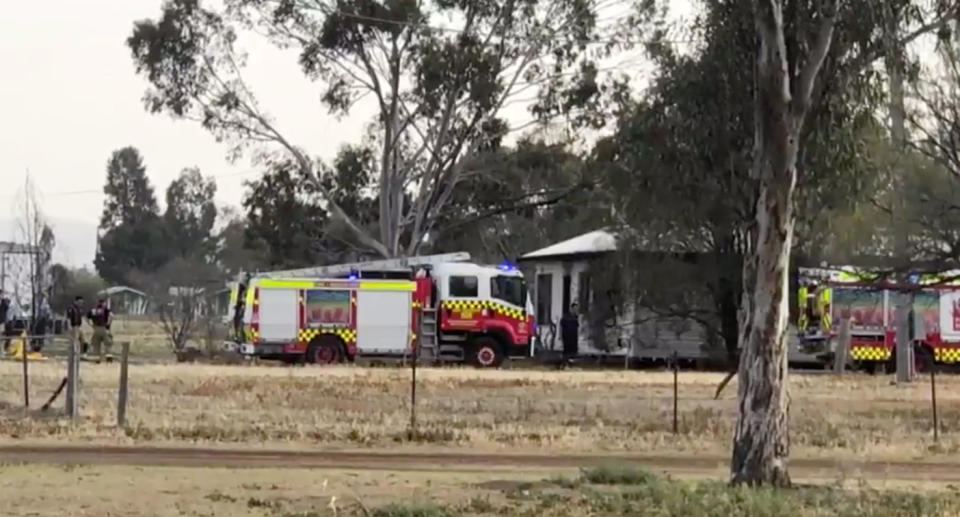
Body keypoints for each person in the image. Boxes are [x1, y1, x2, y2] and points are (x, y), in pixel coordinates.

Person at [87, 298, 113, 363]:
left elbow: (86, 318)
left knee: (96, 344)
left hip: (95, 329)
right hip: (103, 328)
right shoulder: (106, 310)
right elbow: (112, 316)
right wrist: (108, 323)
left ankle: (97, 359)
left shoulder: (93, 310)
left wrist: (91, 325)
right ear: (103, 303)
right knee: (108, 343)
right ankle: (108, 357)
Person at [560, 303, 580, 367]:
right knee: (567, 352)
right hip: (567, 338)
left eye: (577, 309)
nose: (576, 310)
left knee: (572, 353)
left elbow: (577, 328)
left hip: (574, 338)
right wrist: (561, 337)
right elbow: (561, 327)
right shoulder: (566, 317)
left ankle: (570, 365)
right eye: (574, 309)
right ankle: (564, 364)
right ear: (571, 309)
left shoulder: (576, 318)